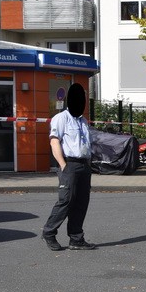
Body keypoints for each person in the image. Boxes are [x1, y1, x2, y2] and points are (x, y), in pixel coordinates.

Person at [42, 82, 96, 251]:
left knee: (81, 202)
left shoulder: (83, 121)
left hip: (84, 165)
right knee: (66, 200)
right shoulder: (61, 118)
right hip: (70, 165)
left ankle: (76, 238)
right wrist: (63, 165)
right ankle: (49, 232)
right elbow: (54, 141)